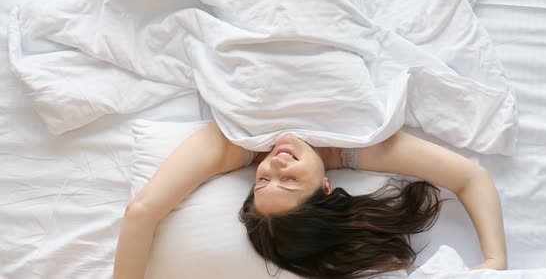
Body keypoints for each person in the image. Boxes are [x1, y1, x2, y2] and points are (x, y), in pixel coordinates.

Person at [113, 120, 507, 279]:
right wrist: (494, 264)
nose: (277, 164)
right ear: (326, 189)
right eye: (289, 182)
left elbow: (141, 212)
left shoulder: (236, 144)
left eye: (264, 179)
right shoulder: (357, 145)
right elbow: (471, 177)